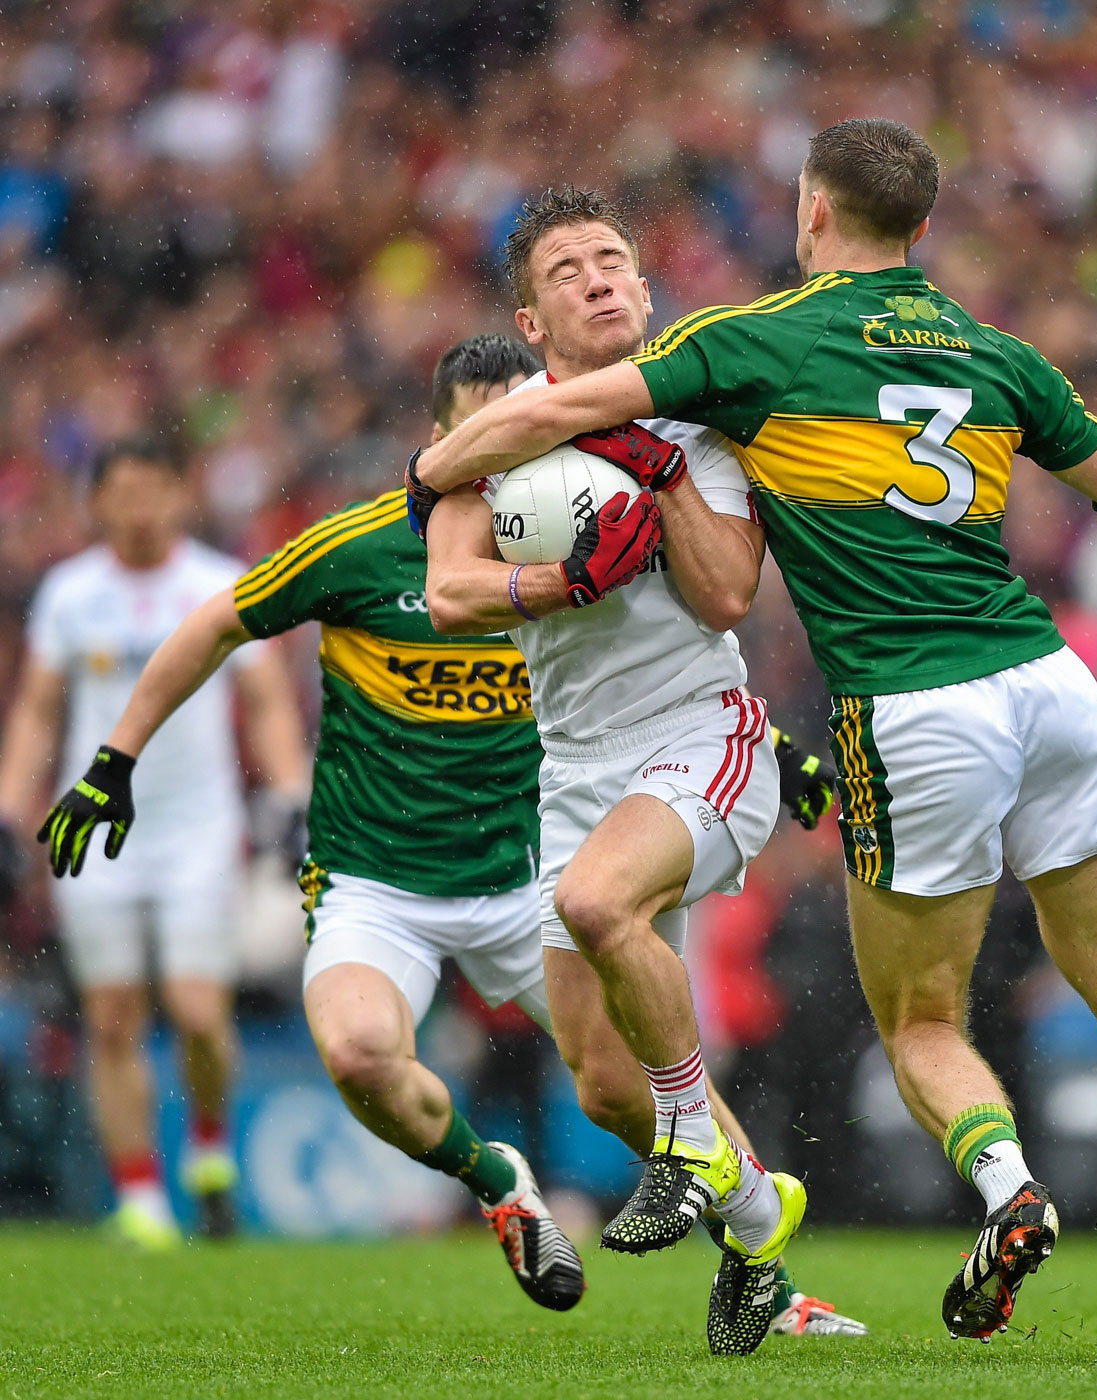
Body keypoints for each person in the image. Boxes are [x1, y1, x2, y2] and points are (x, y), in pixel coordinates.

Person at [408, 122, 1097, 1362]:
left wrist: (429, 466)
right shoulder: (994, 349)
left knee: (916, 1020)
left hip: (911, 704)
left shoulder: (751, 343)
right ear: (920, 224)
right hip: (1049, 678)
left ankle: (1010, 1191)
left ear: (810, 214)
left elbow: (577, 430)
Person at [41, 334, 857, 1337]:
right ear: (441, 438)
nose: (510, 441)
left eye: (527, 415)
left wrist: (772, 747)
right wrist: (114, 758)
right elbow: (216, 622)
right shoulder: (362, 546)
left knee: (628, 1079)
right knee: (356, 1051)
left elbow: (645, 679)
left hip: (525, 868)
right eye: (482, 422)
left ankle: (765, 1269)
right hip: (375, 878)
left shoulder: (581, 529)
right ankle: (498, 1178)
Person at [416, 188, 847, 1356]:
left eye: (616, 260)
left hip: (699, 731)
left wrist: (649, 464)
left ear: (648, 293)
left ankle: (696, 1145)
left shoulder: (704, 426)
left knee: (598, 902)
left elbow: (721, 595)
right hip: (573, 769)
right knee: (602, 1079)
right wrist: (562, 582)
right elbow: (449, 591)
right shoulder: (496, 438)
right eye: (570, 269)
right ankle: (759, 1224)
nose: (600, 277)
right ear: (533, 316)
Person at [0, 438, 306, 1248]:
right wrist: (7, 809)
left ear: (180, 495)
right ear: (95, 503)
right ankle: (140, 1199)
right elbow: (37, 710)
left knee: (201, 1013)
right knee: (110, 1017)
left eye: (153, 490)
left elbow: (268, 696)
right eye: (123, 493)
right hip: (96, 831)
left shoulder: (215, 584)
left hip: (197, 829)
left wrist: (286, 791)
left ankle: (208, 1147)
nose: (139, 508)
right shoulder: (71, 595)